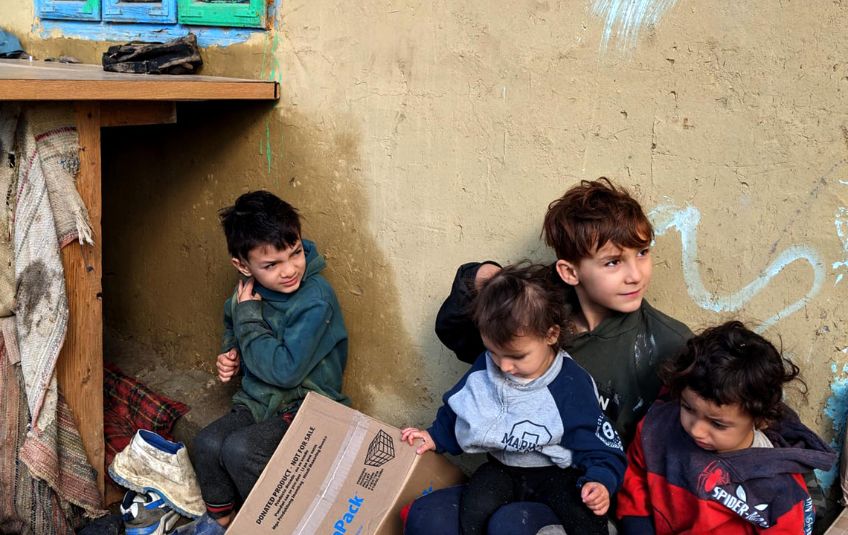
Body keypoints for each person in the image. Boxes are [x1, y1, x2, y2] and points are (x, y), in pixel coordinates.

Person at [405, 178, 692, 534]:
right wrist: (480, 277)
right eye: (613, 262)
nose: (636, 275)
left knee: (512, 526)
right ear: (569, 271)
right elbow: (458, 335)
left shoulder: (667, 344)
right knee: (428, 517)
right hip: (510, 474)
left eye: (643, 253)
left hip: (589, 490)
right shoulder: (535, 311)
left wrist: (603, 485)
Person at [402, 264, 627, 535]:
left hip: (557, 473)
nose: (504, 367)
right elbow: (461, 407)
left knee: (584, 516)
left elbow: (601, 444)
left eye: (517, 357)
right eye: (494, 353)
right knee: (474, 511)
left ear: (551, 335)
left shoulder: (570, 384)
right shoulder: (487, 368)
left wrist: (600, 481)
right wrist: (434, 436)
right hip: (502, 469)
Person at [175, 190, 350, 534]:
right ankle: (224, 522)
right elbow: (233, 321)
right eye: (272, 265)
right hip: (259, 401)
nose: (289, 270)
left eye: (295, 253)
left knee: (241, 451)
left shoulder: (315, 300)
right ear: (243, 265)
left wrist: (249, 318)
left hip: (306, 405)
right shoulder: (247, 291)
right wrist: (231, 355)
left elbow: (285, 371)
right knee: (208, 443)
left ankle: (276, 522)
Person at [617, 321, 836, 534]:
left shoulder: (776, 486)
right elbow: (636, 472)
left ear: (760, 420)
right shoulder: (659, 428)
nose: (696, 430)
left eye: (717, 423)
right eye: (688, 408)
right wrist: (637, 524)